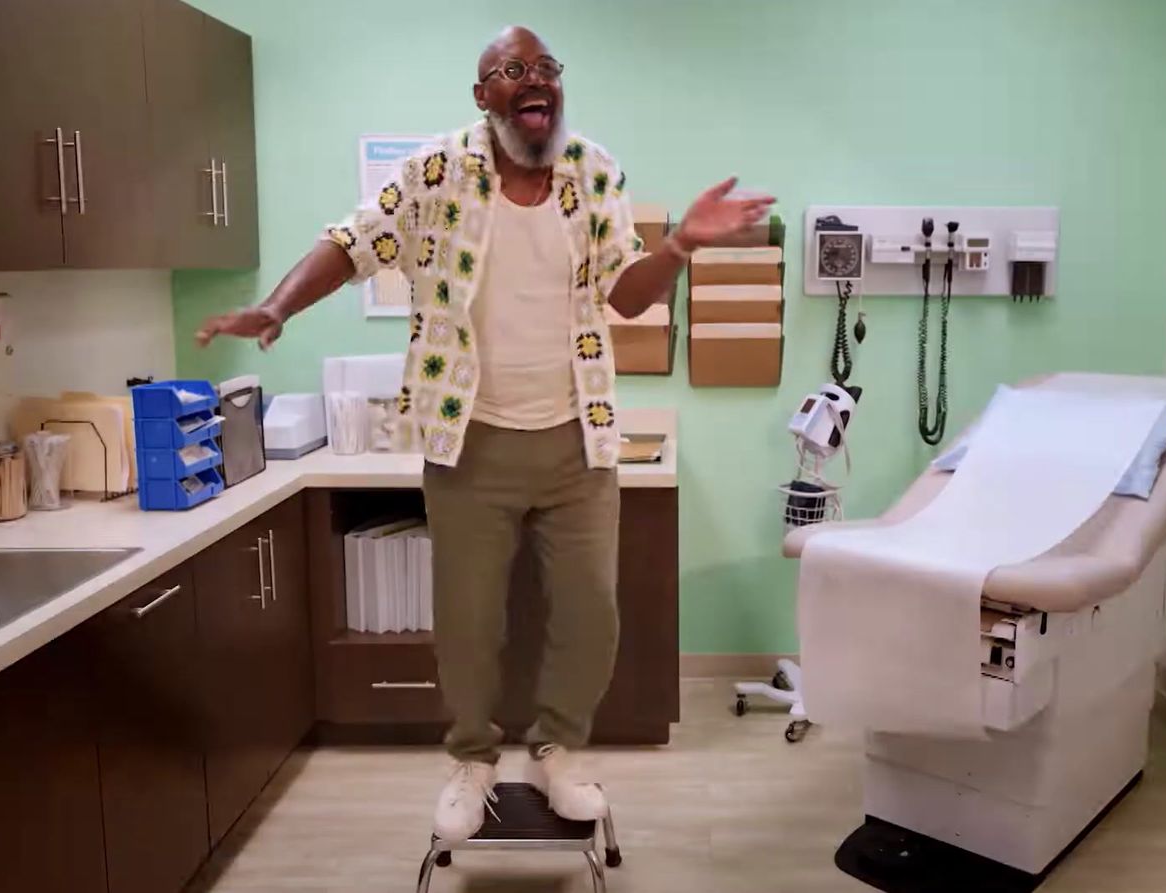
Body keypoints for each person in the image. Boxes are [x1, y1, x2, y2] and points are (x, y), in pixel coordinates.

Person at [196, 25, 774, 841]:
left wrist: (678, 245)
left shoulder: (594, 173)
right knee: (469, 622)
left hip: (579, 440)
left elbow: (630, 296)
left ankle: (559, 750)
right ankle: (472, 759)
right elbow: (352, 243)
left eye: (545, 69)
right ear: (483, 96)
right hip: (469, 442)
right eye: (511, 70)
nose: (533, 81)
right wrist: (277, 307)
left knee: (591, 613)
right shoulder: (436, 173)